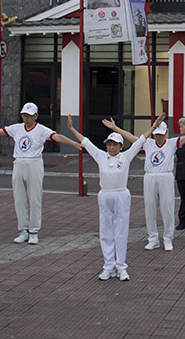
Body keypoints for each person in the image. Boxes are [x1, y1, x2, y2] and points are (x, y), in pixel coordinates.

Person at [0, 102, 81, 245]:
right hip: (18, 163)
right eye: (24, 115)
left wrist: (74, 144)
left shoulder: (41, 130)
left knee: (35, 198)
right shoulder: (16, 128)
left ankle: (34, 231)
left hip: (34, 163)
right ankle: (23, 230)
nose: (26, 118)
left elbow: (57, 137)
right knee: (19, 198)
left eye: (29, 116)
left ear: (35, 116)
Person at [102, 116, 185, 252]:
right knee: (150, 207)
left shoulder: (172, 143)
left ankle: (168, 238)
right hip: (150, 177)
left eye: (161, 134)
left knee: (167, 207)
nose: (159, 137)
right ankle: (153, 238)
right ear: (153, 134)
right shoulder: (148, 143)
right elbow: (132, 138)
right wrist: (115, 128)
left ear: (166, 133)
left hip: (166, 176)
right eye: (156, 134)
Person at [66, 114, 161, 281]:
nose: (111, 147)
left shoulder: (126, 156)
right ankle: (108, 266)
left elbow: (140, 140)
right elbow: (86, 142)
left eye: (115, 145)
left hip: (121, 195)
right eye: (109, 144)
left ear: (120, 146)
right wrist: (72, 129)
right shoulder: (100, 156)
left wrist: (154, 127)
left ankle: (121, 266)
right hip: (105, 196)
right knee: (106, 232)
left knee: (121, 231)